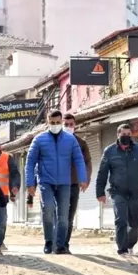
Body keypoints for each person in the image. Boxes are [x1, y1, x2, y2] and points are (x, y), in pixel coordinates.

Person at [26, 109, 88, 254]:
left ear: (61, 122)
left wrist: (82, 178)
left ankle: (60, 245)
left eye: (58, 122)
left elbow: (79, 159)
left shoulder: (70, 139)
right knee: (47, 209)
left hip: (64, 182)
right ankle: (49, 242)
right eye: (52, 123)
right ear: (48, 123)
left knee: (63, 215)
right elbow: (30, 162)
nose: (55, 125)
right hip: (45, 181)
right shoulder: (39, 140)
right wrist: (30, 183)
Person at [96, 124, 138, 255]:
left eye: (129, 134)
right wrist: (99, 192)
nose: (126, 137)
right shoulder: (109, 151)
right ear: (118, 135)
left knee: (137, 223)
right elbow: (102, 173)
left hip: (136, 192)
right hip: (118, 192)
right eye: (124, 134)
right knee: (121, 219)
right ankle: (121, 248)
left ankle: (129, 243)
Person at [62, 113, 92, 254]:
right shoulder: (53, 141)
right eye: (66, 124)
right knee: (58, 214)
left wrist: (85, 179)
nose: (68, 127)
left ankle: (65, 244)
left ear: (75, 125)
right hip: (57, 184)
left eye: (71, 124)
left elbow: (87, 162)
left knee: (69, 215)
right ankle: (55, 242)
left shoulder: (81, 143)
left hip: (73, 184)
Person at [0, 137, 21, 254]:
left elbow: (14, 174)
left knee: (1, 221)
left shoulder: (7, 158)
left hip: (2, 195)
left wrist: (15, 187)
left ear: (0, 147)